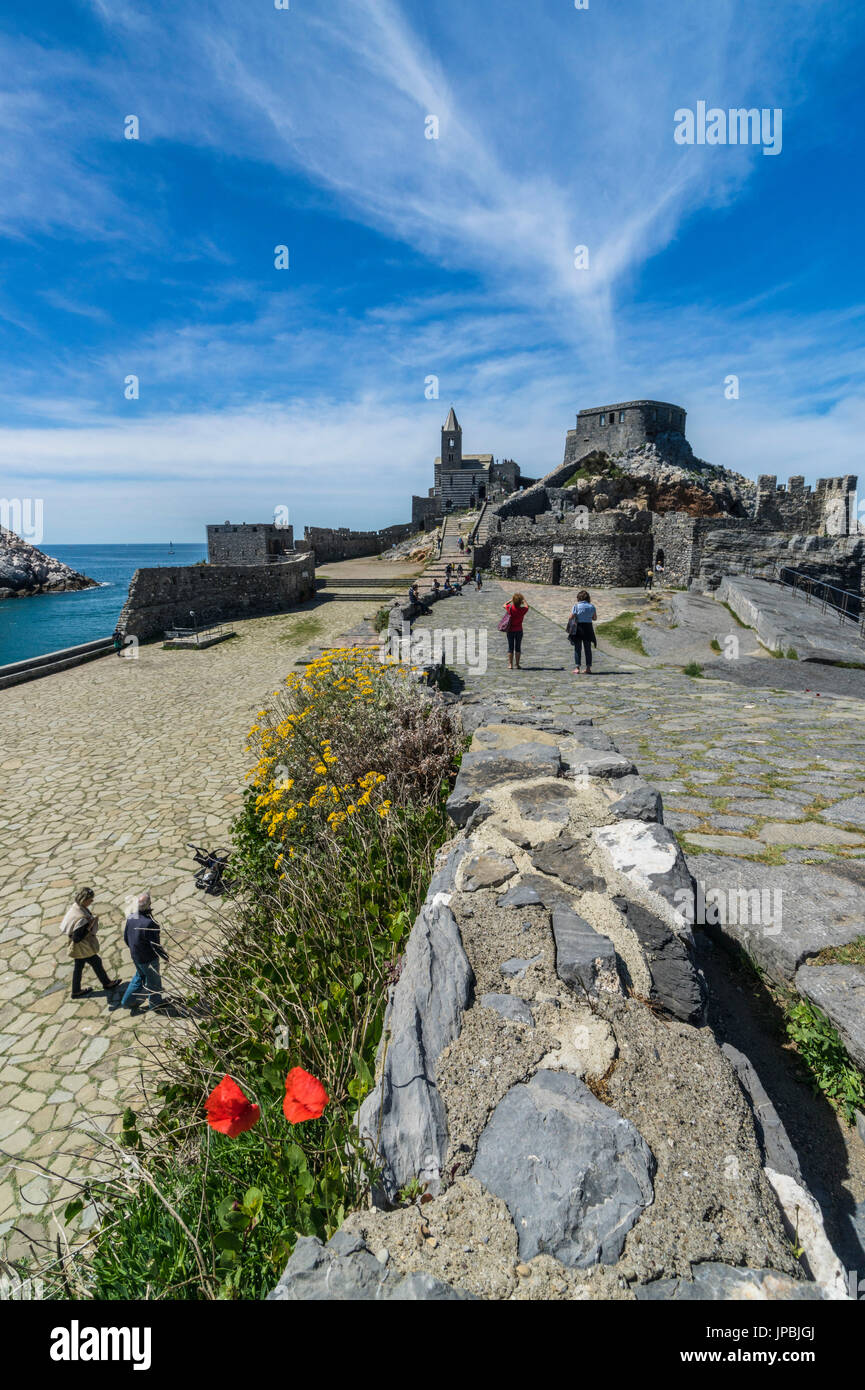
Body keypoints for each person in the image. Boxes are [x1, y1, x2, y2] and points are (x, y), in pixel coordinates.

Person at [60, 888, 121, 1000]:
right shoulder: (81, 918)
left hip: (79, 948)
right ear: (84, 900)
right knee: (96, 961)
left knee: (79, 966)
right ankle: (106, 983)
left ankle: (76, 991)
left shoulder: (75, 907)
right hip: (83, 947)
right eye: (90, 900)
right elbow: (77, 938)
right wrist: (90, 925)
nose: (92, 901)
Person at [120, 892, 168, 1011]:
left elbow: (126, 937)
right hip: (148, 959)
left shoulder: (131, 917)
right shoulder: (150, 923)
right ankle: (156, 1004)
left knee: (139, 977)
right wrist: (165, 956)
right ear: (148, 905)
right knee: (154, 982)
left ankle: (126, 1001)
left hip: (136, 956)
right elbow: (155, 945)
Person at [568, 589, 597, 675]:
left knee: (577, 648)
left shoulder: (576, 606)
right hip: (588, 628)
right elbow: (594, 618)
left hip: (578, 628)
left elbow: (571, 617)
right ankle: (588, 668)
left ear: (578, 598)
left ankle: (577, 668)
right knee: (588, 649)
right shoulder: (592, 606)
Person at [502, 592, 529, 670]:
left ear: (514, 601)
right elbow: (527, 606)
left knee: (510, 647)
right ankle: (517, 664)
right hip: (519, 630)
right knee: (518, 647)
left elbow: (503, 605)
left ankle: (510, 664)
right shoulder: (523, 610)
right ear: (520, 602)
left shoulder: (510, 608)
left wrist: (510, 601)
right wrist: (524, 601)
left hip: (510, 630)